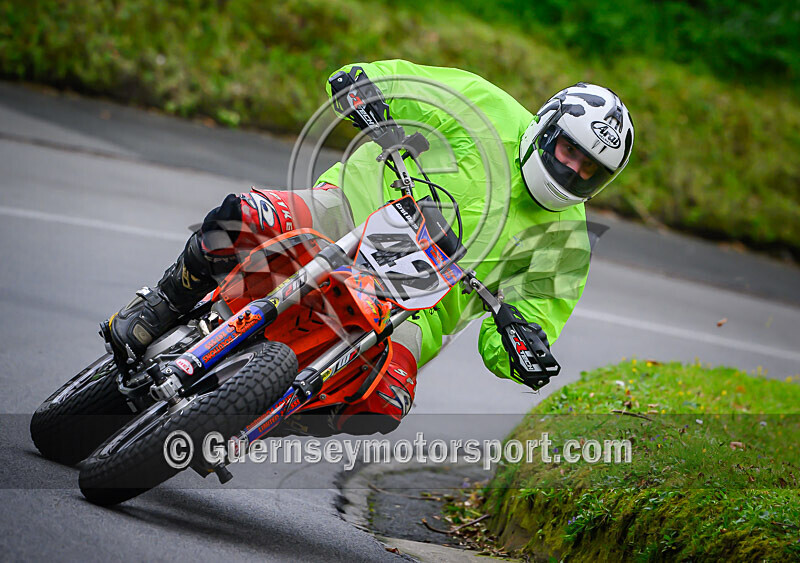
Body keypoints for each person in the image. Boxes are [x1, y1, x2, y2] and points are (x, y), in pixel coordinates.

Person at [105, 60, 634, 435]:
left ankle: (267, 412)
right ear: (547, 125)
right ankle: (164, 302)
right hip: (350, 212)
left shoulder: (567, 244)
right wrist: (365, 87)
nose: (573, 170)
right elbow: (403, 83)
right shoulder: (486, 103)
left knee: (385, 403)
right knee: (241, 218)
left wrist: (525, 351)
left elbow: (523, 327)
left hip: (419, 309)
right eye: (569, 150)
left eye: (591, 170)